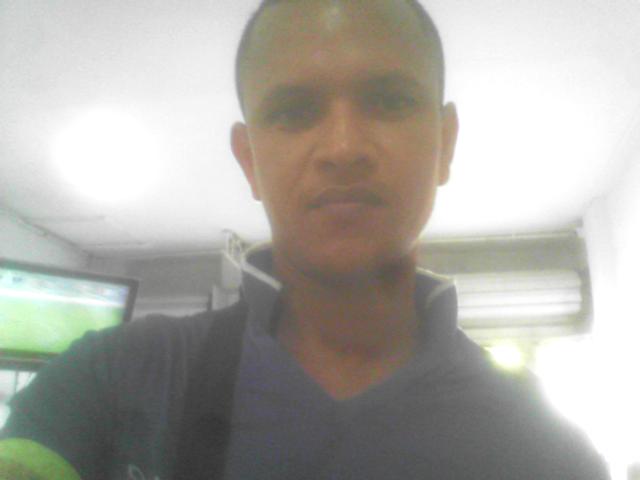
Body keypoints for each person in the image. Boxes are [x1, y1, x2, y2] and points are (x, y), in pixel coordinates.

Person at [0, 0, 610, 479]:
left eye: (390, 100)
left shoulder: (548, 452)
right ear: (249, 160)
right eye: (293, 111)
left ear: (444, 143)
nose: (344, 148)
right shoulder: (109, 378)